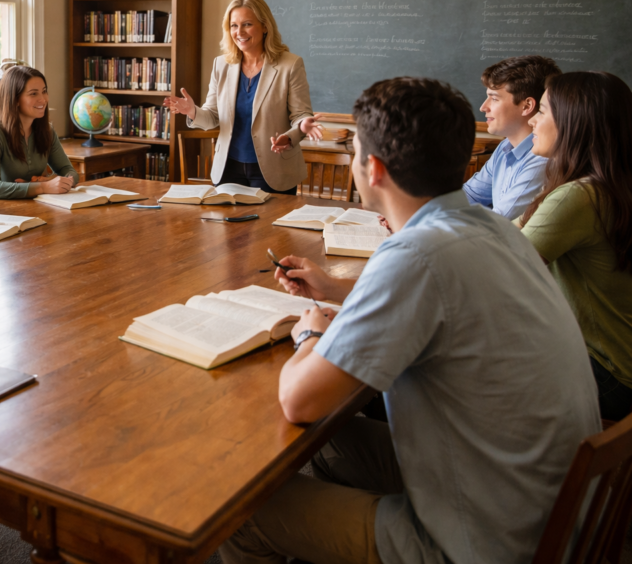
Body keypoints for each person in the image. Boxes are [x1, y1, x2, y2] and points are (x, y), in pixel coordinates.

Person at [220, 77, 599, 564]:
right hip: (546, 504)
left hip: (483, 542)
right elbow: (444, 306)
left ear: (372, 170)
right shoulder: (494, 230)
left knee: (244, 509)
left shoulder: (417, 254)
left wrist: (312, 334)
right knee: (330, 445)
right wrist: (341, 297)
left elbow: (299, 400)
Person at [519, 71, 632, 421]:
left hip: (603, 374)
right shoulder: (607, 186)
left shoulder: (578, 197)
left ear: (575, 123)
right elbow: (509, 233)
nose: (531, 118)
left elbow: (501, 267)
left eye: (543, 110)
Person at [163, 0, 322, 194]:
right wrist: (192, 111)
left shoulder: (290, 65)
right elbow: (212, 118)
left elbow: (301, 116)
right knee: (226, 225)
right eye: (234, 26)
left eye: (247, 24)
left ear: (265, 26)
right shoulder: (221, 65)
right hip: (228, 168)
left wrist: (295, 132)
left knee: (269, 226)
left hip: (274, 170)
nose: (239, 32)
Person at [463, 55, 559, 220]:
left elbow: (499, 223)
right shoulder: (506, 146)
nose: (483, 107)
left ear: (527, 106)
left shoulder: (542, 160)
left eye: (494, 98)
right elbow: (470, 194)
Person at [0, 65, 80, 199]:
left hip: (30, 208)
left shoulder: (47, 130)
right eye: (33, 93)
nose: (43, 99)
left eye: (44, 91)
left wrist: (54, 182)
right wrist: (43, 187)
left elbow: (70, 171)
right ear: (15, 99)